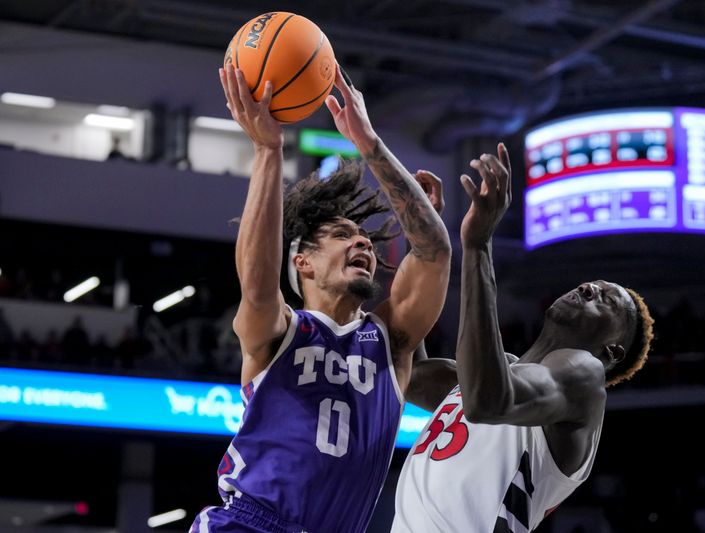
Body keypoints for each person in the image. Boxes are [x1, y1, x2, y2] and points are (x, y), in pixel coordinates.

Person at [190, 62, 451, 533]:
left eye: (365, 239)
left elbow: (433, 252)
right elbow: (256, 281)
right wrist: (268, 150)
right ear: (302, 262)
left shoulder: (389, 341)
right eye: (341, 234)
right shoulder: (280, 331)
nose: (363, 243)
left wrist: (367, 141)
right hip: (250, 524)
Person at [393, 143, 655, 532]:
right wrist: (425, 243)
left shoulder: (583, 378)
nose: (588, 289)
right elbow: (405, 368)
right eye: (590, 284)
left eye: (607, 299)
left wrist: (478, 245)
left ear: (612, 351)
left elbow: (487, 401)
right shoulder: (500, 371)